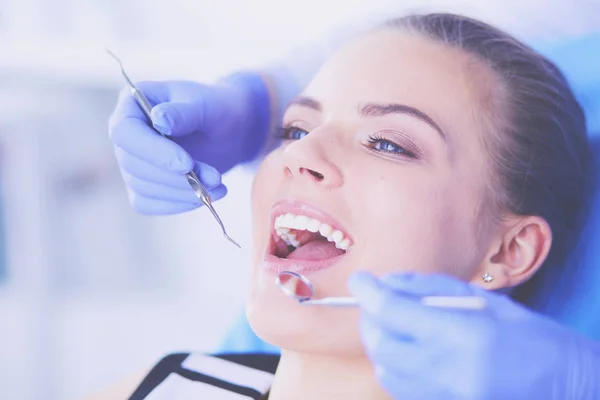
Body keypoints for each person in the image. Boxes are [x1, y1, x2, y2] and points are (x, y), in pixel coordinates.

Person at [104, 13, 600, 399]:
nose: (297, 154)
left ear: (509, 250)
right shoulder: (167, 384)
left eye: (387, 144)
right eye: (295, 129)